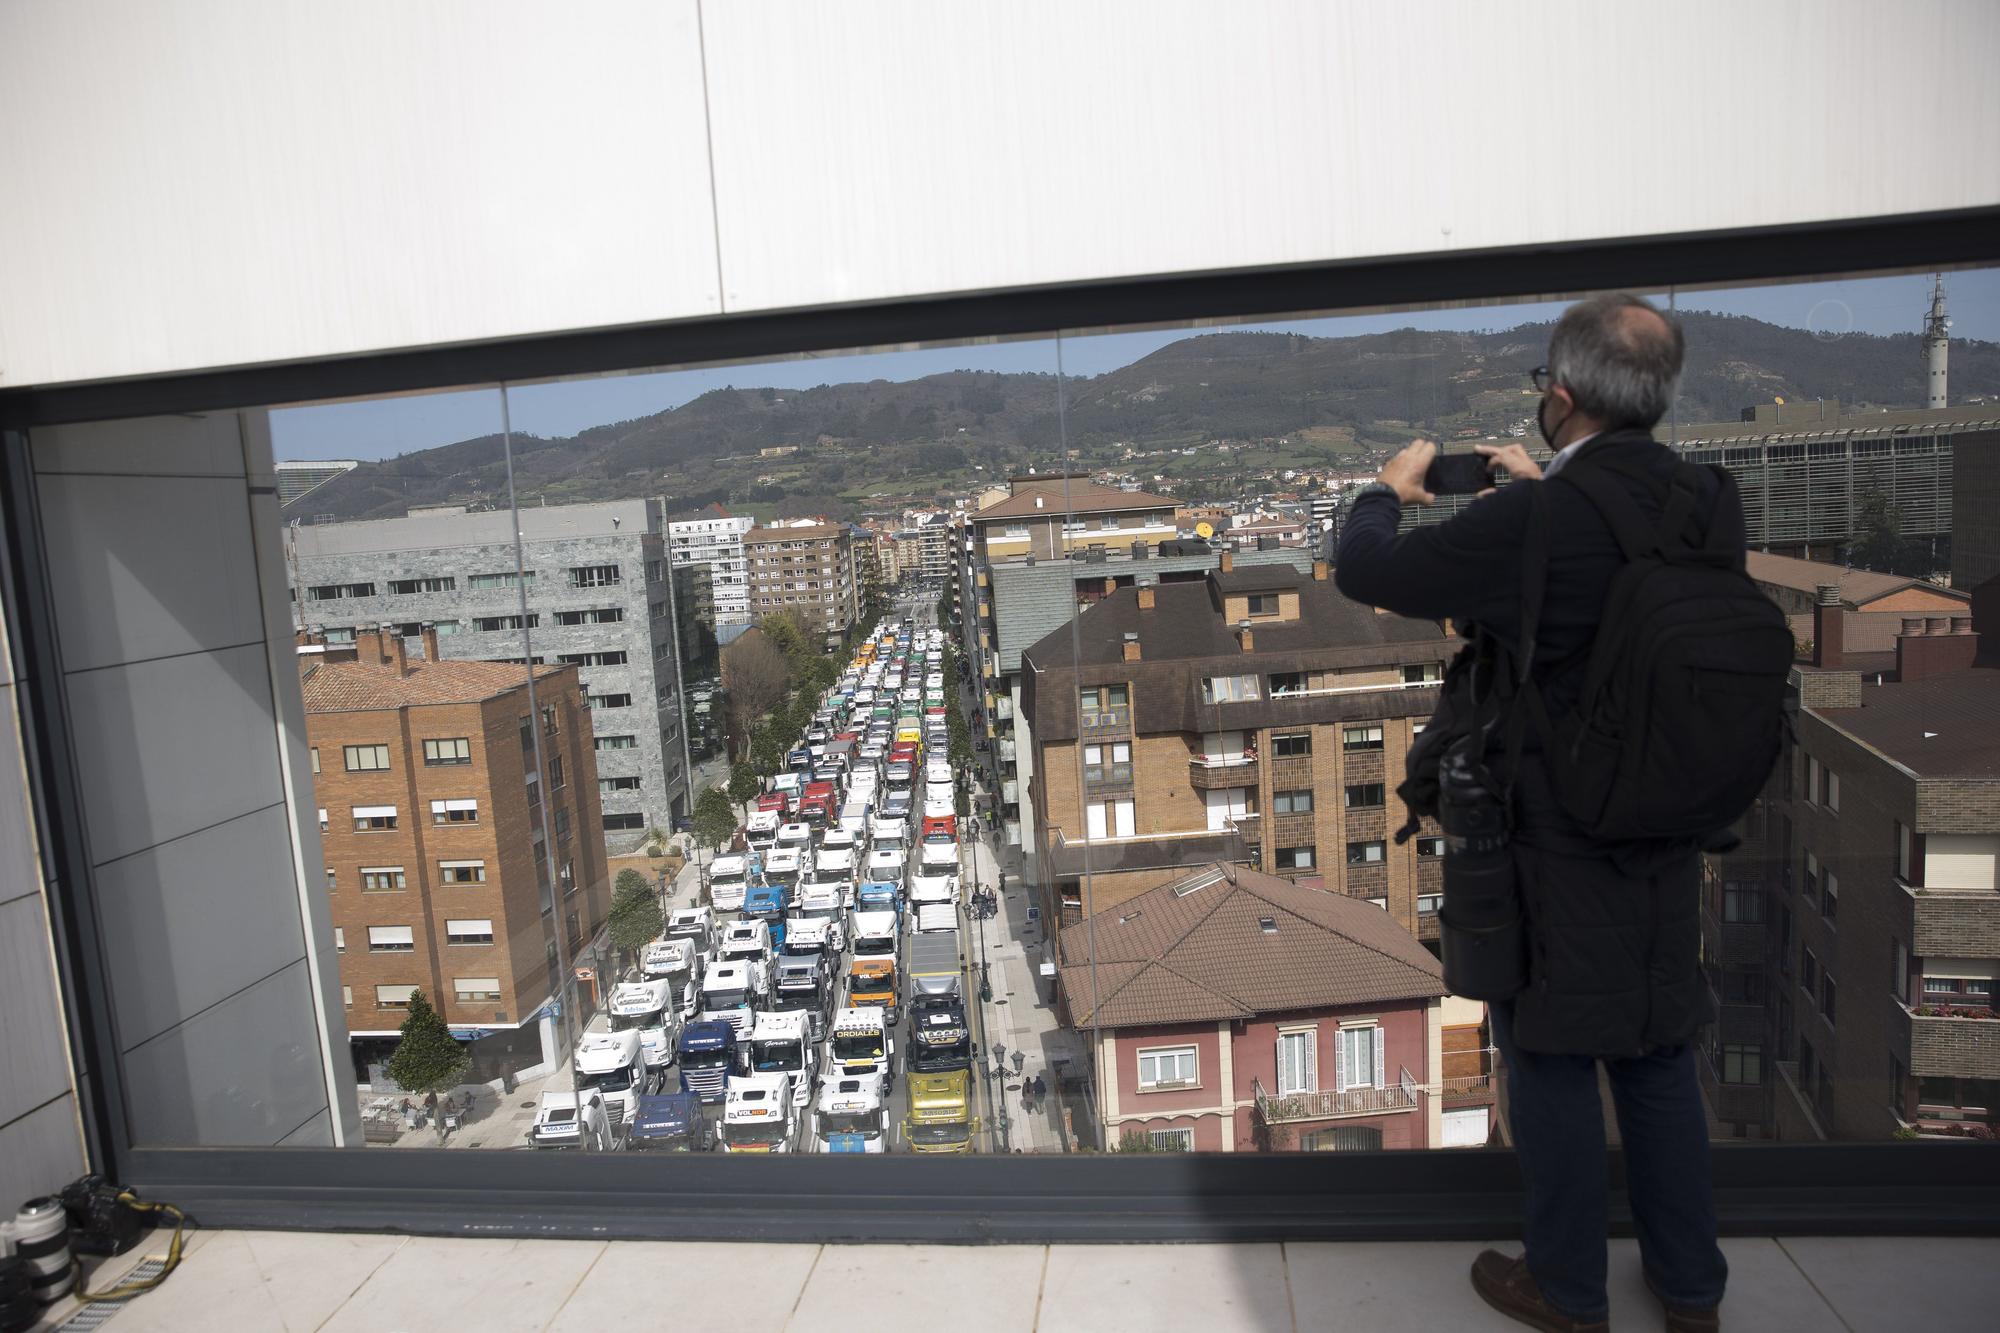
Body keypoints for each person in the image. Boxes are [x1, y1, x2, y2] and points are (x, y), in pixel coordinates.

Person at [1335, 293, 1730, 1333]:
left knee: (1550, 1052)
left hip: (1556, 830)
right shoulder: (1704, 499)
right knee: (1656, 1052)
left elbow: (1366, 568)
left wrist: (1385, 491)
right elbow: (1621, 611)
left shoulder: (1538, 520)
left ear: (1558, 396)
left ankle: (1565, 1288)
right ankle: (1691, 1290)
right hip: (1670, 815)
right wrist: (1544, 487)